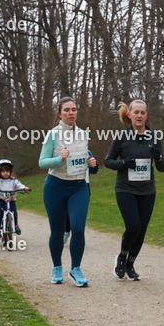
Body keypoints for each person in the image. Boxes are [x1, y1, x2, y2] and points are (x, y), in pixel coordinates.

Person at [38, 97, 99, 286]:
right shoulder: (52, 135)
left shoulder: (83, 134)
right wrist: (59, 159)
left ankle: (76, 269)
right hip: (55, 187)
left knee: (78, 229)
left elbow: (85, 159)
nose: (71, 113)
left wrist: (92, 164)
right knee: (57, 232)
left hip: (78, 187)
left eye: (74, 109)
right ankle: (57, 267)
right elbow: (42, 162)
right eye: (67, 110)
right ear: (59, 114)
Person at [104, 100, 164, 281]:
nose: (139, 116)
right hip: (125, 188)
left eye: (142, 113)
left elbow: (162, 168)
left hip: (147, 190)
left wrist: (159, 158)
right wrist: (124, 163)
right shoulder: (121, 137)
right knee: (133, 226)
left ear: (146, 116)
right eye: (136, 112)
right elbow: (108, 161)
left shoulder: (154, 137)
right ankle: (122, 256)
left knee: (142, 230)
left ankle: (131, 264)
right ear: (130, 115)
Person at [0, 159, 30, 236]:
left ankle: (16, 225)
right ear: (0, 172)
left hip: (11, 199)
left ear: (10, 171)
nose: (5, 173)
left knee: (14, 212)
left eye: (7, 171)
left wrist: (24, 188)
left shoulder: (13, 180)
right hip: (1, 199)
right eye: (3, 171)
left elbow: (19, 185)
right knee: (0, 212)